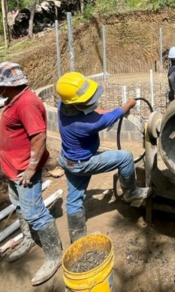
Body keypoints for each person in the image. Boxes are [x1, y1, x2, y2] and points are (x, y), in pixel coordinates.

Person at [0, 62, 62, 286]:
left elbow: (39, 138)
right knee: (20, 206)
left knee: (35, 213)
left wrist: (30, 169)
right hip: (14, 170)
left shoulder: (28, 103)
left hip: (24, 171)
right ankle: (29, 238)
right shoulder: (15, 100)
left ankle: (54, 255)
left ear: (8, 86)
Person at [56, 72, 152, 243]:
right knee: (125, 157)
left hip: (68, 160)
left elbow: (95, 112)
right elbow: (113, 116)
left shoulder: (63, 105)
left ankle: (77, 240)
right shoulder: (88, 124)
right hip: (84, 163)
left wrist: (104, 110)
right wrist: (128, 104)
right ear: (77, 104)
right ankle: (132, 192)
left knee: (74, 198)